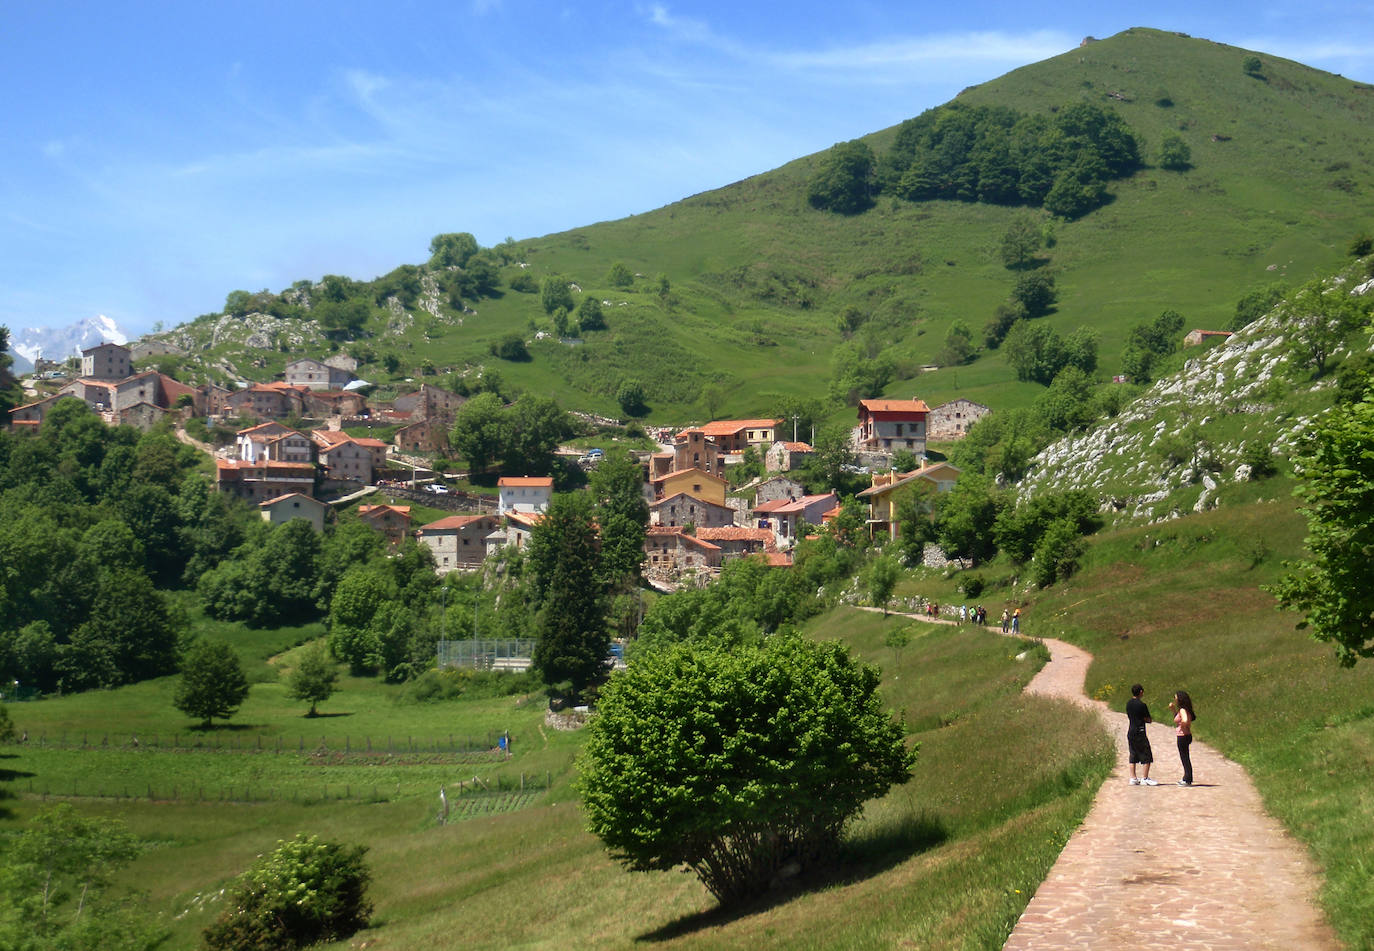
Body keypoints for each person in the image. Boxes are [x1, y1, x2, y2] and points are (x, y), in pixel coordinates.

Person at [1126, 683, 1157, 785]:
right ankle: (1145, 777)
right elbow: (1148, 719)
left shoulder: (1128, 703)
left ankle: (1133, 778)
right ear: (1141, 692)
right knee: (1146, 754)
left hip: (1131, 731)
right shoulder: (1142, 705)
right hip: (1140, 731)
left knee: (1133, 754)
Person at [1169, 690, 1197, 786]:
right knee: (1186, 757)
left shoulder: (1182, 710)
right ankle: (1187, 777)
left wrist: (1184, 726)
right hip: (1187, 735)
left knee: (1184, 758)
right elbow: (1179, 719)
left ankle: (1187, 779)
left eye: (1176, 698)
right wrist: (1173, 710)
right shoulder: (1185, 709)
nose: (1175, 700)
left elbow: (1184, 720)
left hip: (1182, 736)